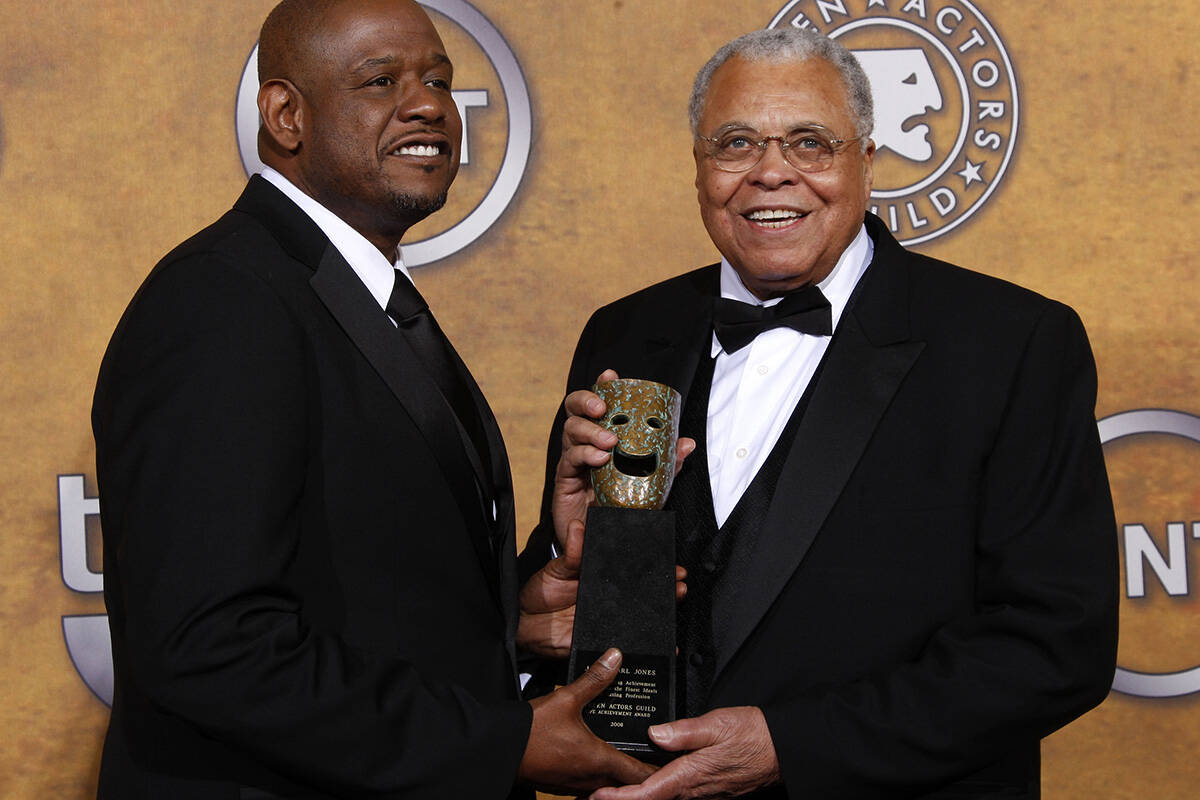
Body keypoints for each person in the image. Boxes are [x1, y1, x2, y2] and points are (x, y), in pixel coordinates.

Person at [524, 27, 1119, 800]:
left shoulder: (1010, 343)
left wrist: (794, 747)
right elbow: (568, 606)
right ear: (700, 167)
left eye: (810, 143)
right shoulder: (625, 332)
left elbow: (1056, 644)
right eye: (736, 144)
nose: (772, 173)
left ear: (866, 162)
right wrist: (556, 586)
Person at [91, 1, 654, 797]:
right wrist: (501, 744)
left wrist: (516, 617)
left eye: (438, 79)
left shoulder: (347, 295)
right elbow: (209, 644)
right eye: (380, 80)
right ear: (287, 114)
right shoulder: (223, 300)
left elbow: (364, 587)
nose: (428, 103)